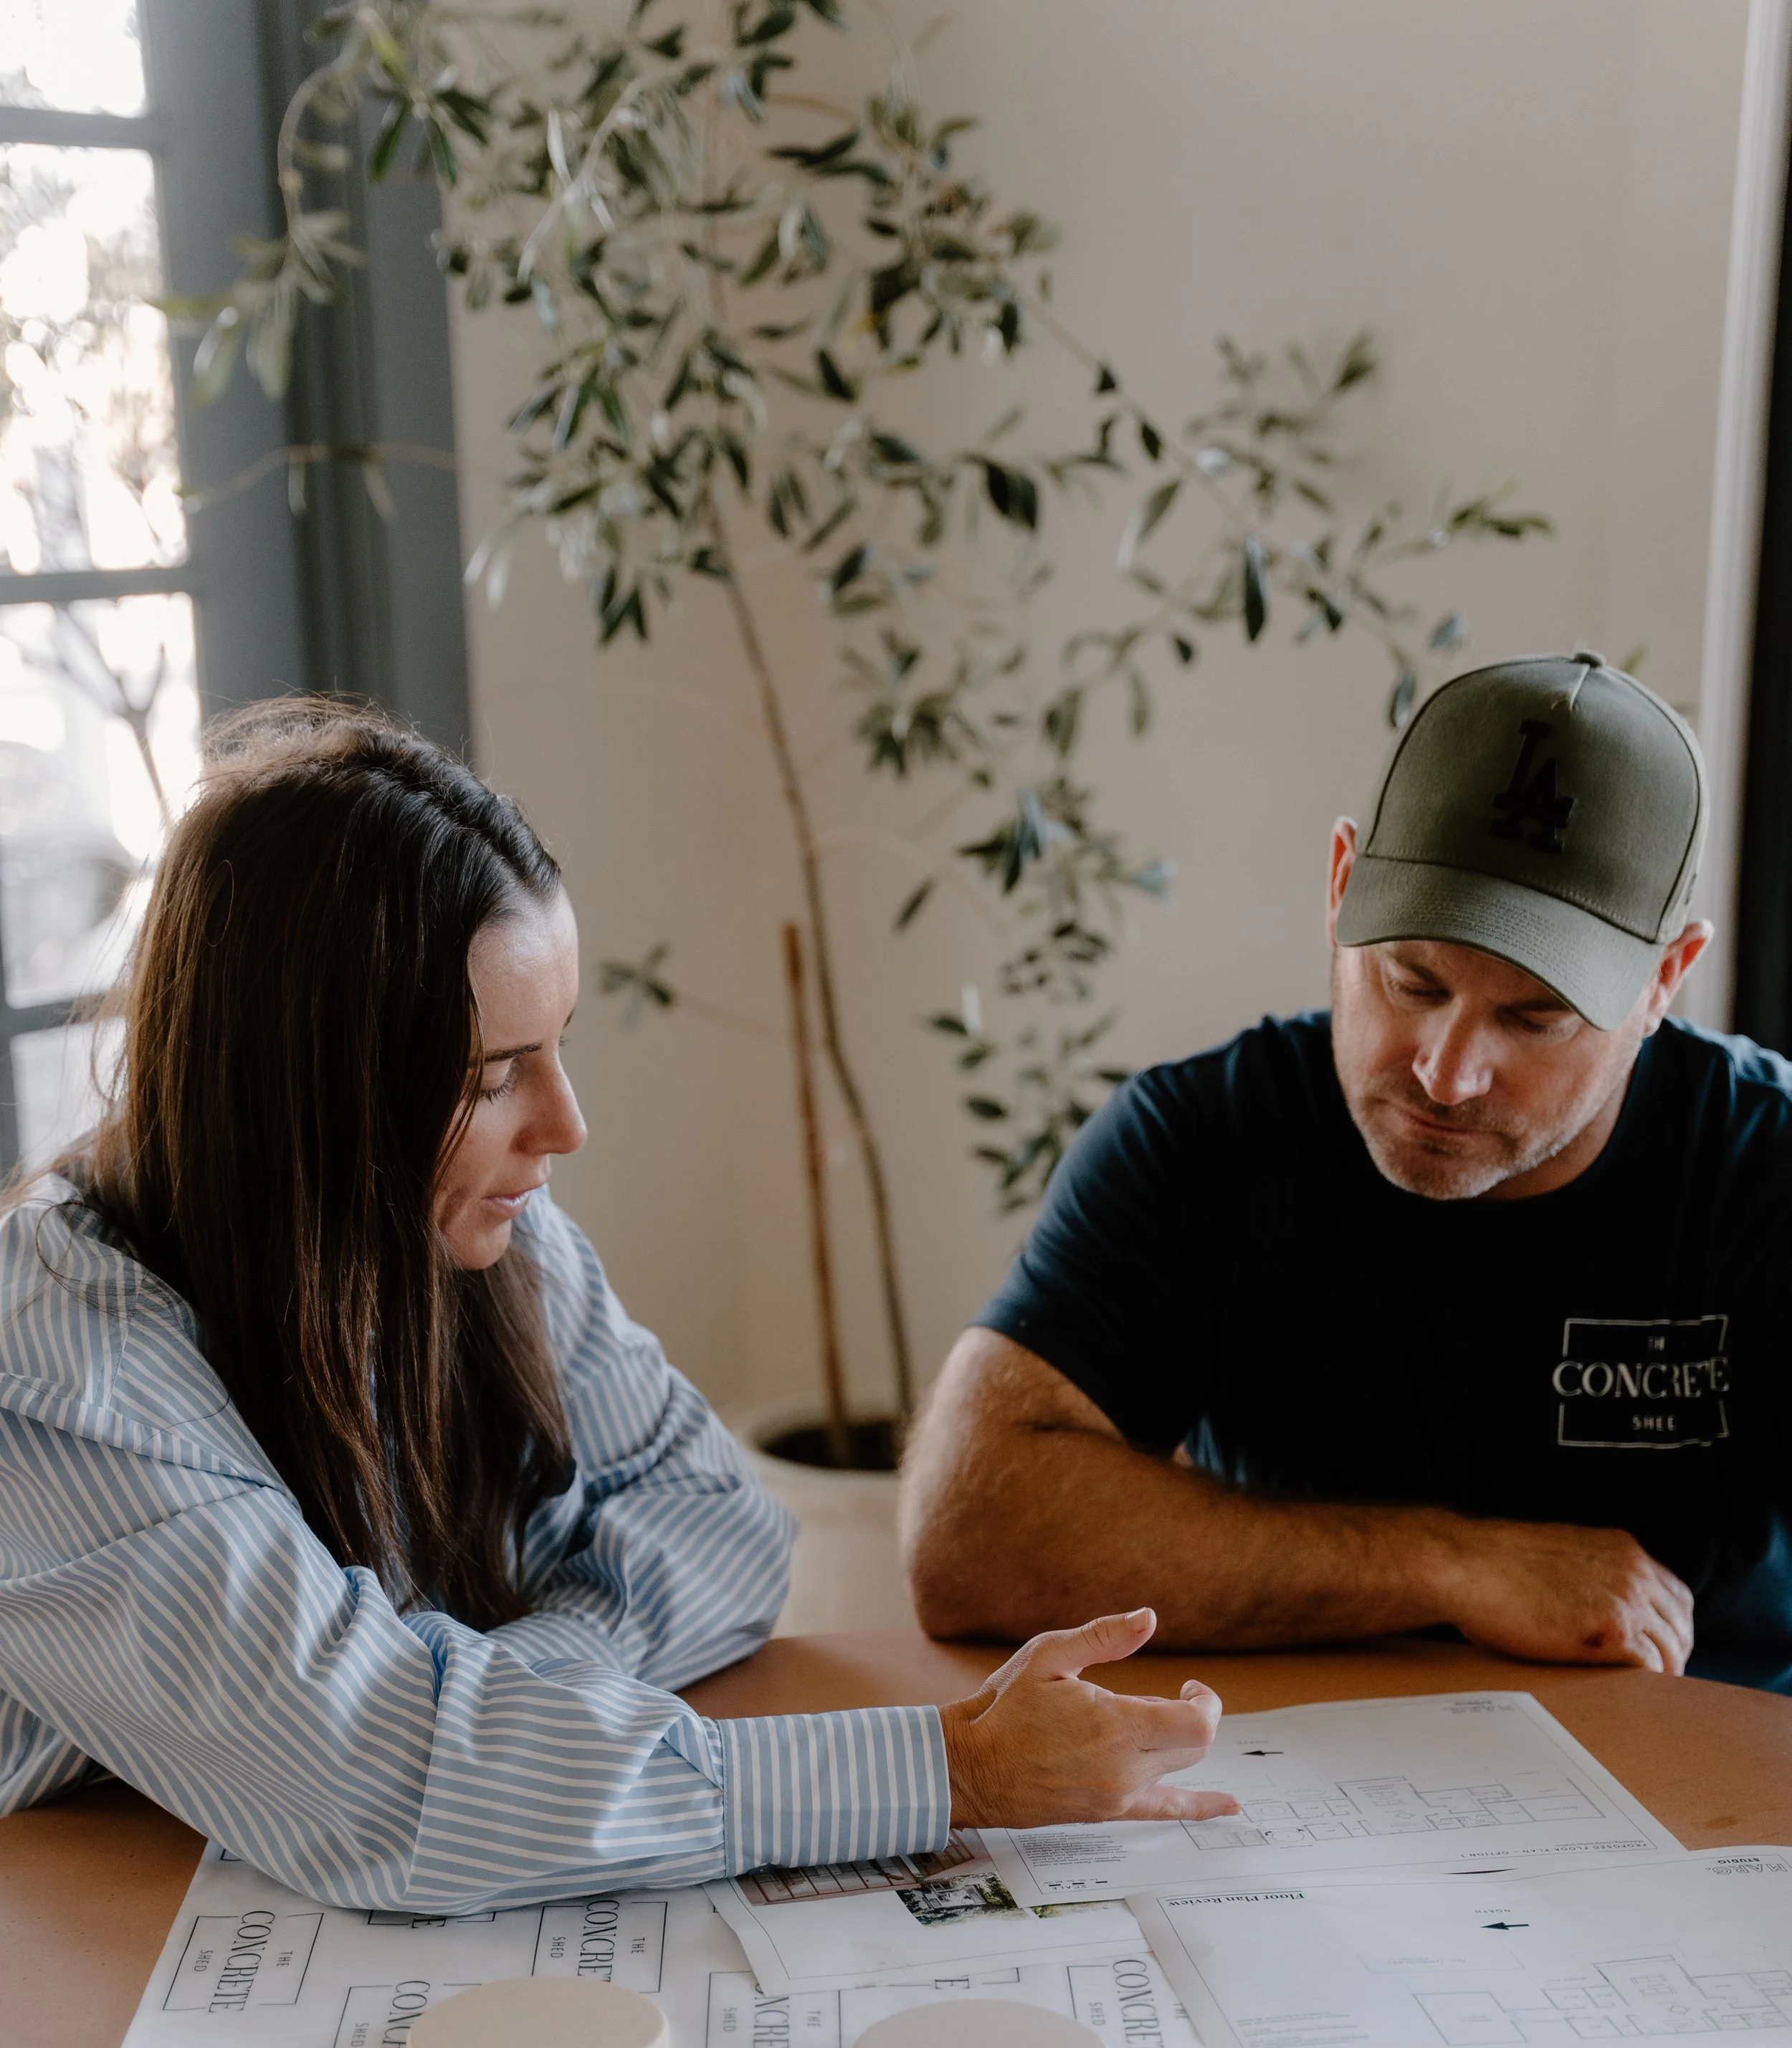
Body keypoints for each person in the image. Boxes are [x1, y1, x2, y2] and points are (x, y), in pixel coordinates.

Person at [0, 704, 1233, 1912]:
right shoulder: (61, 1357)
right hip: (93, 1955)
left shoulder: (476, 1235)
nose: (567, 1126)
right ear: (304, 1104)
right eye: (492, 1076)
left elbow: (726, 1531)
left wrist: (489, 1690)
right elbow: (392, 1778)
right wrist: (949, 1769)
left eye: (558, 1044)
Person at [905, 649, 1792, 1692]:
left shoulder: (1764, 1166)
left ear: (1664, 982)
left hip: (1709, 1796)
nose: (1447, 1072)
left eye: (1534, 1016)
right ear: (1340, 886)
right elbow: (968, 1530)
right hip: (1308, 1786)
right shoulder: (1202, 1139)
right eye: (1410, 979)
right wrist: (1449, 1562)